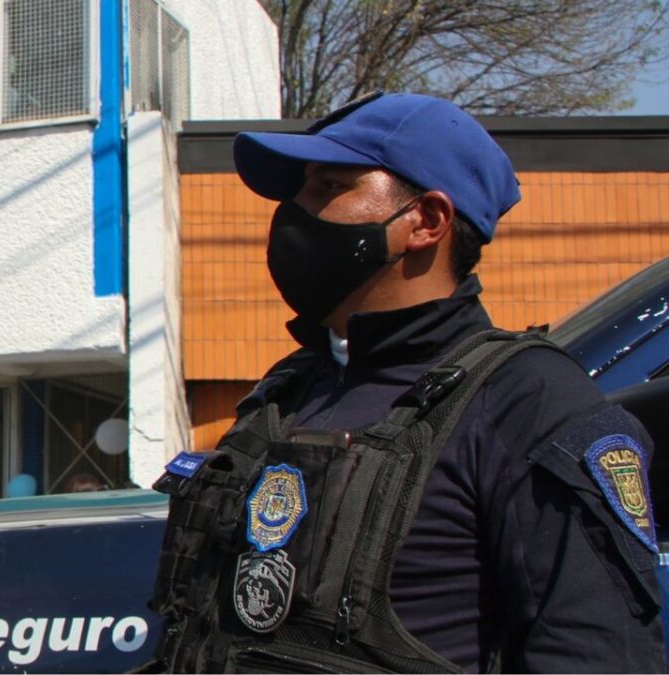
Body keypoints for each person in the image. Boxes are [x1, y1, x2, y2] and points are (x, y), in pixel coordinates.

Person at [149, 92, 665, 673]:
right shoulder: (289, 389)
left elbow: (597, 655)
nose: (294, 212)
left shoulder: (530, 401)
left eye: (327, 187)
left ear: (426, 221)